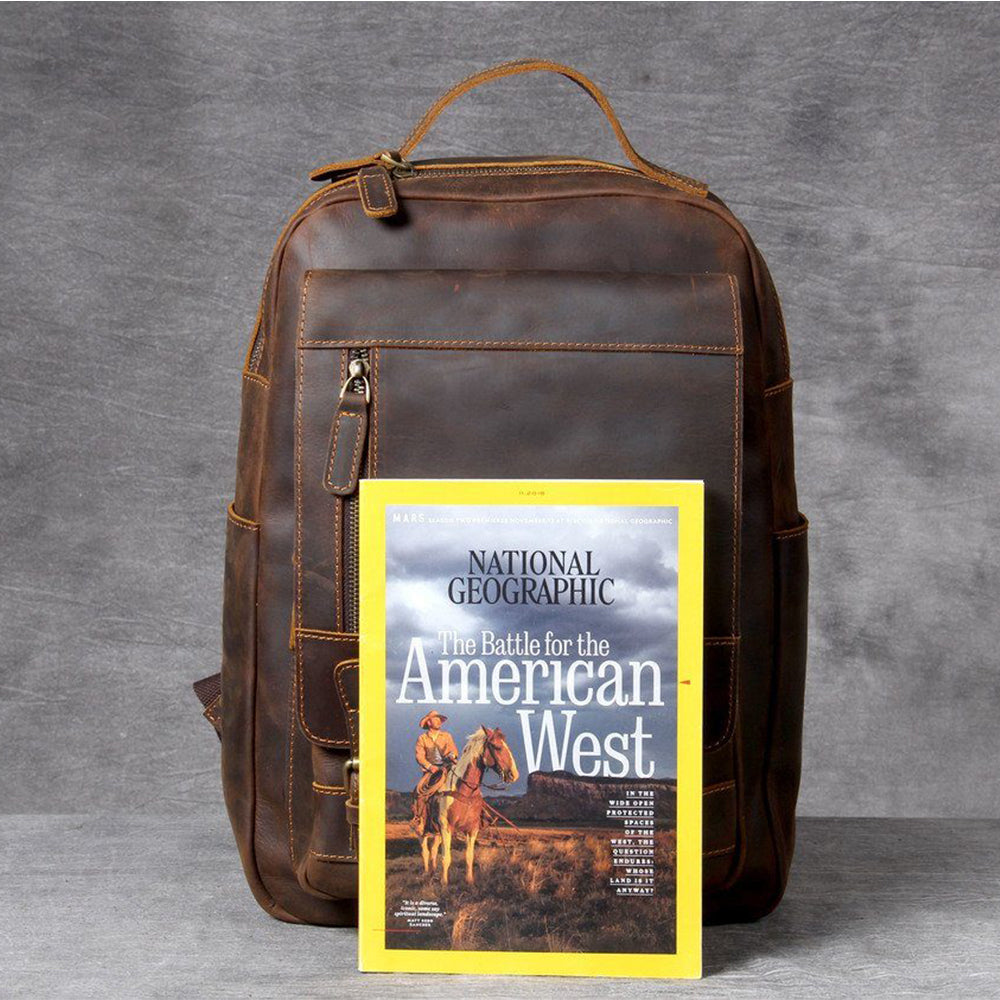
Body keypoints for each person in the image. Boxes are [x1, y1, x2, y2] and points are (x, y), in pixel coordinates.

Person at [410, 710, 459, 833]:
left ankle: (479, 816)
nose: (438, 722)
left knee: (466, 784)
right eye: (435, 719)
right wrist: (430, 766)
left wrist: (451, 756)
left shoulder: (446, 736)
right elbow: (419, 756)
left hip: (447, 768)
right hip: (431, 771)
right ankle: (419, 819)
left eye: (439, 720)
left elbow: (453, 751)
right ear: (429, 722)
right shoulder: (422, 738)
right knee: (420, 791)